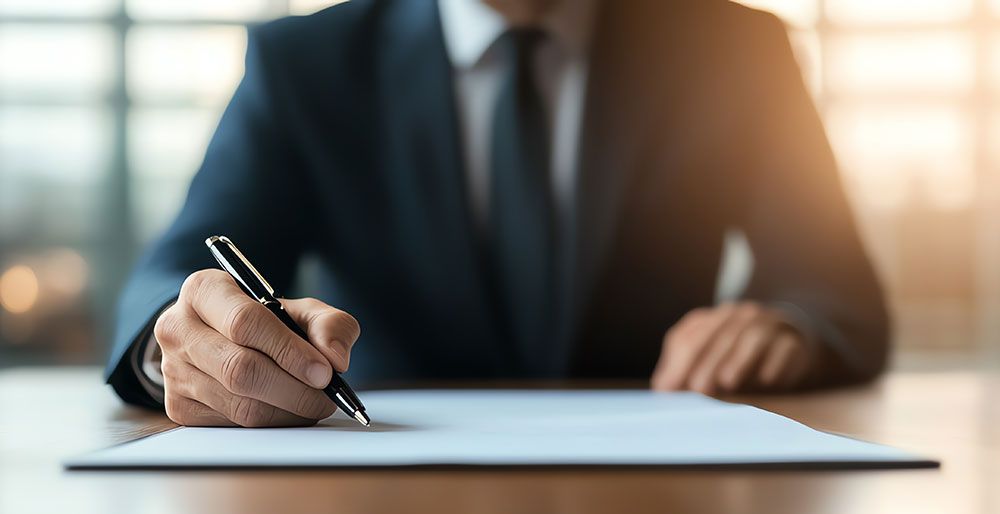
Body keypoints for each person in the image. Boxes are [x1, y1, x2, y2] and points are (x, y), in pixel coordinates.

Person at [106, 0, 889, 427]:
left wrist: (788, 324)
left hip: (665, 503)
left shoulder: (736, 50)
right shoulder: (306, 66)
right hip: (379, 510)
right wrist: (175, 344)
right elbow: (173, 274)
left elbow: (837, 293)